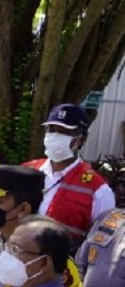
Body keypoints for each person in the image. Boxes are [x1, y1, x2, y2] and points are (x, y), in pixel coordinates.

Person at [22, 103, 114, 253]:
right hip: (18, 259)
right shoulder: (27, 170)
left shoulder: (98, 190)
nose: (55, 136)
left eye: (64, 132)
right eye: (52, 130)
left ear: (80, 140)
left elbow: (103, 244)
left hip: (64, 265)